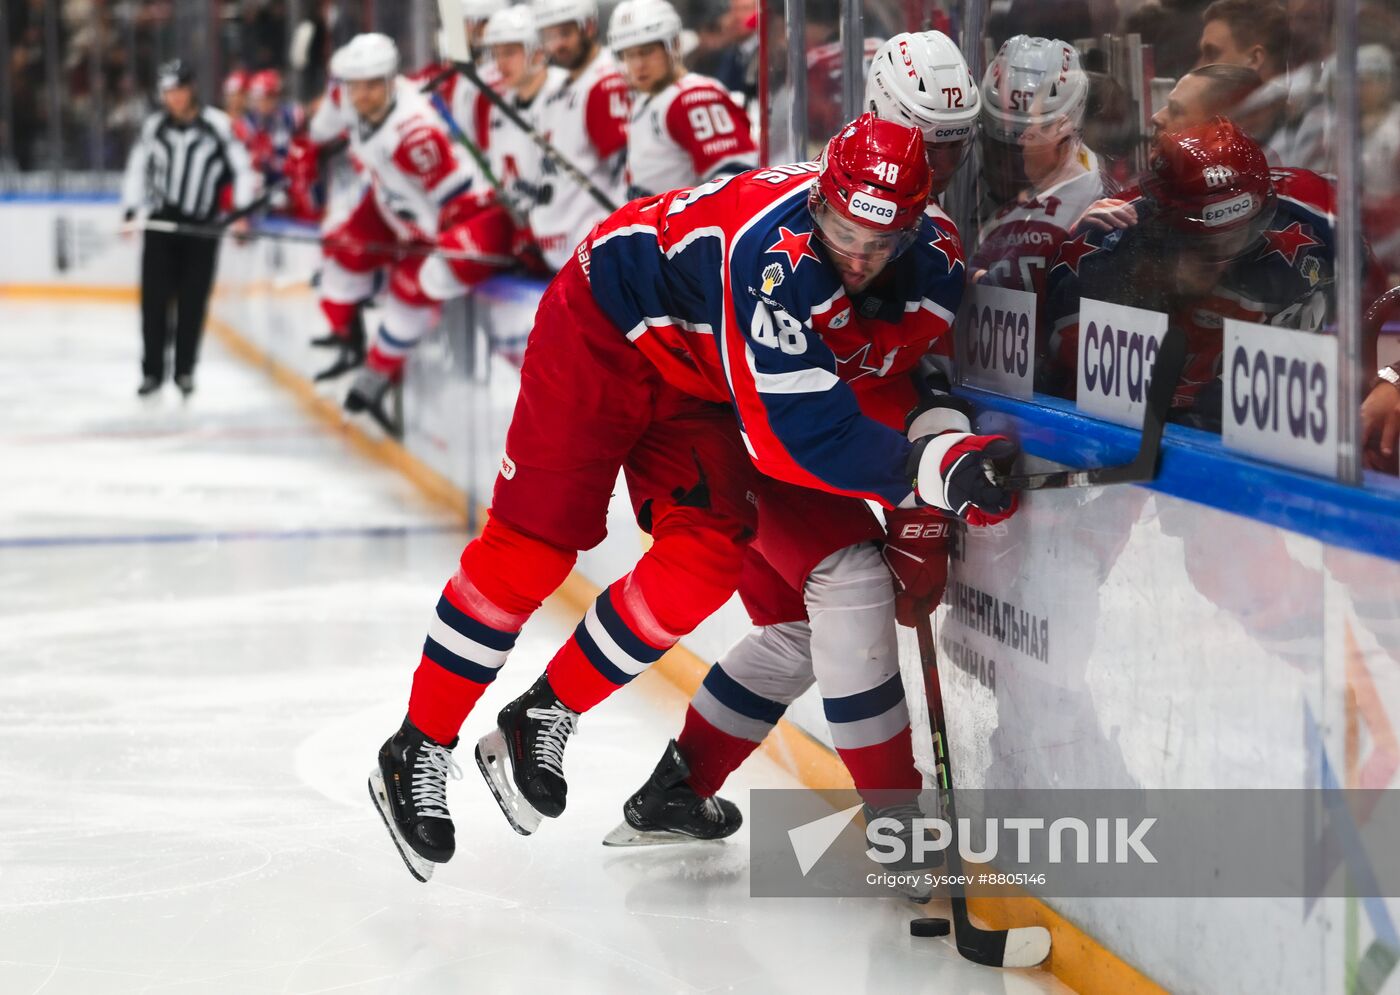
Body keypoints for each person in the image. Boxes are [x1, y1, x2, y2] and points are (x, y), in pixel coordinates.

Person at [367, 114, 1020, 882]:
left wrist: (933, 445)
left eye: (879, 242)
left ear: (914, 225)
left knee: (705, 563)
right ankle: (418, 743)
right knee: (530, 555)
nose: (857, 256)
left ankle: (545, 709)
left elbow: (890, 377)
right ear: (820, 197)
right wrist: (938, 468)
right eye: (843, 228)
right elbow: (795, 439)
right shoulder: (772, 261)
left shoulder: (935, 267)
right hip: (602, 329)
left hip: (696, 377)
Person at [603, 37, 994, 856]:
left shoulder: (931, 244)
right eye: (927, 134)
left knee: (800, 633)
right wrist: (917, 491)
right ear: (881, 117)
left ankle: (676, 790)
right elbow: (794, 425)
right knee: (848, 586)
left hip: (796, 438)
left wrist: (920, 502)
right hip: (738, 432)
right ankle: (900, 829)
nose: (945, 158)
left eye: (956, 138)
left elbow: (907, 375)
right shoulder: (802, 230)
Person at [1043, 118, 1341, 428]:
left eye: (1240, 236)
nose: (1221, 260)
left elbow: (1368, 303)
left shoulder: (1316, 219)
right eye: (1200, 246)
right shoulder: (1099, 254)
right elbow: (1078, 398)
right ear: (1160, 226)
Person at [307, 34, 514, 431]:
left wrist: (422, 249)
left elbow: (457, 206)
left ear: (390, 81)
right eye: (355, 86)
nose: (363, 95)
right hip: (392, 202)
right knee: (340, 253)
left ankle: (377, 374)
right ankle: (347, 340)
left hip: (434, 221)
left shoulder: (415, 134)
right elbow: (319, 129)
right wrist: (306, 146)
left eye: (372, 85)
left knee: (414, 287)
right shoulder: (345, 99)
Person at [120, 59, 258, 397]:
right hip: (161, 224)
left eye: (178, 90)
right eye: (168, 92)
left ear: (191, 88)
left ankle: (184, 371)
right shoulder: (154, 127)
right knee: (153, 302)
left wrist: (240, 212)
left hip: (202, 228)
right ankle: (152, 372)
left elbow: (242, 168)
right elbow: (137, 168)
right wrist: (130, 211)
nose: (174, 98)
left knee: (193, 302)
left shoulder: (219, 125)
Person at [971, 34, 1108, 309]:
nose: (1007, 165)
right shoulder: (970, 188)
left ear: (1065, 132)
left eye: (1027, 141)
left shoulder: (1087, 203)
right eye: (998, 144)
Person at [607, 0, 757, 200]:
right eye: (629, 55)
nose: (638, 65)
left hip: (688, 230)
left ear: (674, 45)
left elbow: (737, 182)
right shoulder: (646, 99)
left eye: (647, 52)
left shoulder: (694, 98)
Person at [527, 0, 632, 270]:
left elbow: (627, 174)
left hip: (595, 254)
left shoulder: (604, 83)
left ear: (588, 27)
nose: (556, 44)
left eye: (565, 33)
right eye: (549, 36)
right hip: (563, 255)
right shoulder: (559, 87)